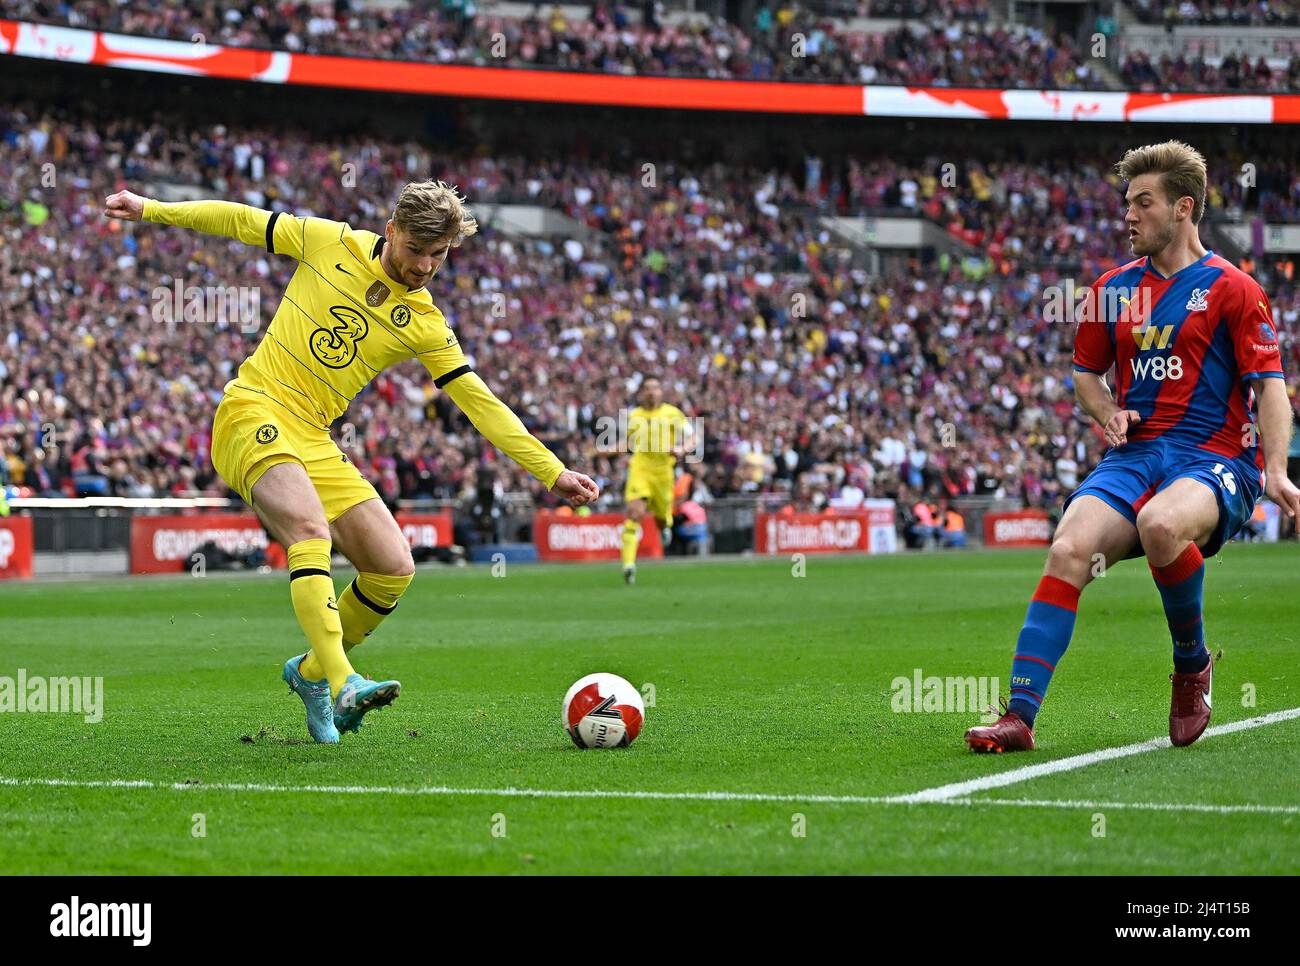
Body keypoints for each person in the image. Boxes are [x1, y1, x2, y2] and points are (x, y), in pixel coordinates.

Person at [103, 181, 599, 743]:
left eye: (439, 255)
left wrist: (551, 470)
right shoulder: (328, 241)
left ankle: (310, 674)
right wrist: (151, 209)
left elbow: (479, 402)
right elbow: (241, 220)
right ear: (391, 232)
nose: (425, 266)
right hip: (253, 408)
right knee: (310, 529)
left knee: (392, 567)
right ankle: (343, 681)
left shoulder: (426, 322)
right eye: (416, 249)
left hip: (313, 437)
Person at [965, 141, 1298, 753]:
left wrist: (1276, 470)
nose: (1129, 215)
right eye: (1126, 203)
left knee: (1160, 525)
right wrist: (1106, 411)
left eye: (1143, 202)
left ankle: (1191, 667)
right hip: (1135, 456)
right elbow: (1086, 375)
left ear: (1183, 209)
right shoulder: (1111, 290)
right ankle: (1019, 716)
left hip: (1215, 459)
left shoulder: (1234, 289)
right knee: (1068, 548)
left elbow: (1270, 387)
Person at [620, 376, 689, 584]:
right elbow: (628, 443)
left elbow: (693, 437)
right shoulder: (634, 416)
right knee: (635, 513)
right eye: (647, 388)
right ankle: (628, 565)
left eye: (655, 388)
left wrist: (682, 449)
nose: (651, 392)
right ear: (642, 393)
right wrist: (606, 450)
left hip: (663, 474)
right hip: (640, 470)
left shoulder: (672, 413)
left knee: (661, 517)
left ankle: (665, 525)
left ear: (661, 392)